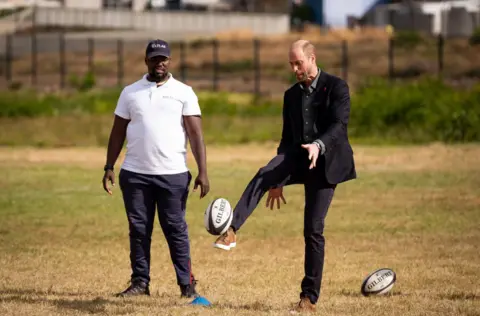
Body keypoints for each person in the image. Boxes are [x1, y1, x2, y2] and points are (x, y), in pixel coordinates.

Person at [213, 39, 356, 313]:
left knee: (313, 230)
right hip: (298, 157)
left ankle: (308, 299)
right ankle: (231, 231)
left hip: (326, 164)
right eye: (291, 64)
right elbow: (286, 139)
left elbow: (339, 126)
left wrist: (318, 145)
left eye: (298, 63)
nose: (294, 69)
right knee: (263, 173)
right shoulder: (291, 95)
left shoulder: (337, 87)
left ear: (312, 58)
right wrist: (277, 180)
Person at [102, 39, 210, 298]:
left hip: (172, 175)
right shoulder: (130, 92)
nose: (159, 63)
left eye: (164, 59)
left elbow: (196, 136)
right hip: (135, 174)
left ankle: (186, 285)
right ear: (146, 61)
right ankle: (140, 283)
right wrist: (109, 166)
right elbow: (117, 132)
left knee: (176, 229)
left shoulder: (184, 92)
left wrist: (203, 172)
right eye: (154, 59)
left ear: (169, 61)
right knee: (139, 229)